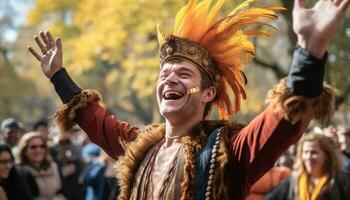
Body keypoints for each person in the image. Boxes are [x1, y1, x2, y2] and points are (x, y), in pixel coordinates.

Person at [27, 0, 348, 199]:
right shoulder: (141, 147)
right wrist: (59, 76)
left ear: (208, 93)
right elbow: (96, 121)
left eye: (183, 73)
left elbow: (282, 120)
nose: (169, 78)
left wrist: (309, 51)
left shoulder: (228, 151)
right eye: (164, 73)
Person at [264, 133, 350, 200]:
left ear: (327, 155)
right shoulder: (295, 179)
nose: (308, 157)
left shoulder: (341, 181)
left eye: (314, 152)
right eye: (305, 152)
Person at [16, 132, 65, 199]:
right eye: (33, 147)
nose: (38, 150)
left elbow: (64, 191)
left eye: (42, 146)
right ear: (24, 150)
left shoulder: (54, 166)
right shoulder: (19, 172)